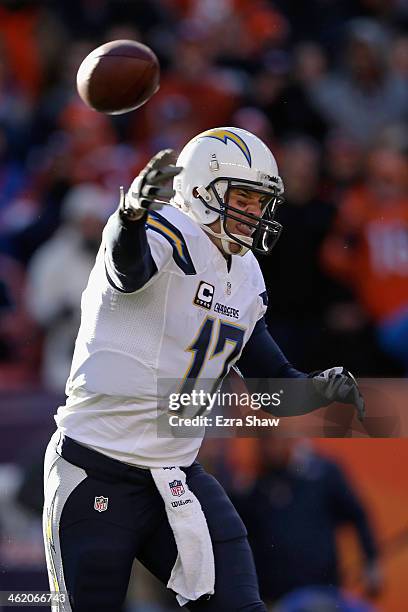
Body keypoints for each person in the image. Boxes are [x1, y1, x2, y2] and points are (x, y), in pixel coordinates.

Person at [42, 127, 365, 612]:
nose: (256, 212)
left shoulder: (245, 274)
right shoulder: (160, 229)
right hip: (96, 468)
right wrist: (130, 217)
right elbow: (127, 271)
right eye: (246, 197)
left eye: (262, 201)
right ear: (201, 189)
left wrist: (320, 390)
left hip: (176, 475)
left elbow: (268, 379)